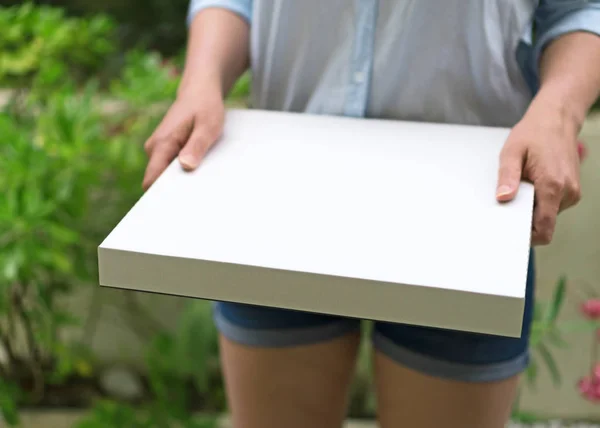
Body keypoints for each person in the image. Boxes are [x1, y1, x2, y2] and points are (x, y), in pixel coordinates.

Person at [143, 2, 600, 427]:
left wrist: (557, 111)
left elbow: (581, 8)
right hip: (280, 190)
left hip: (470, 206)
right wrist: (199, 82)